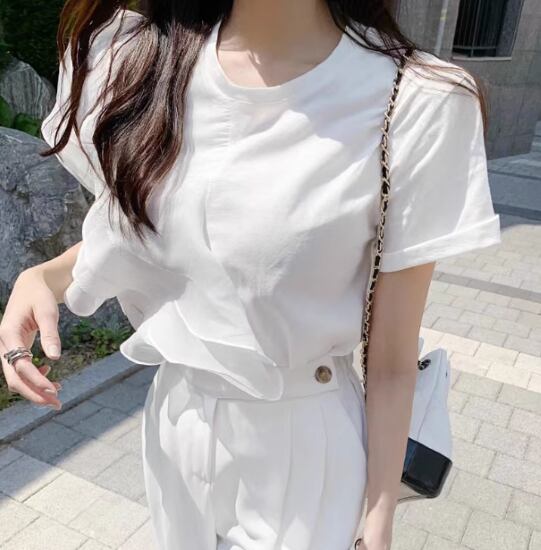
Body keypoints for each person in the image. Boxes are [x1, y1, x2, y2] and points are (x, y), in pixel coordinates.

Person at [0, 1, 501, 549]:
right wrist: (44, 278)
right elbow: (150, 236)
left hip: (300, 443)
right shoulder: (145, 60)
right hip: (174, 420)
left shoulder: (415, 99)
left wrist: (378, 518)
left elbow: (391, 362)